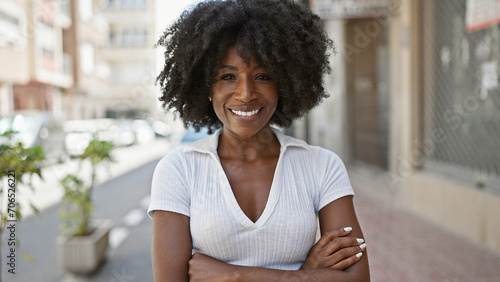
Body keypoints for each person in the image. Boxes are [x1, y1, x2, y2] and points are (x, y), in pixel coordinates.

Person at [148, 0, 370, 281]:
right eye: (228, 76)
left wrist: (234, 276)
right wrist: (309, 274)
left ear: (286, 82)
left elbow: (357, 278)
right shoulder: (179, 170)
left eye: (262, 76)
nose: (245, 93)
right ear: (206, 86)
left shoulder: (322, 166)